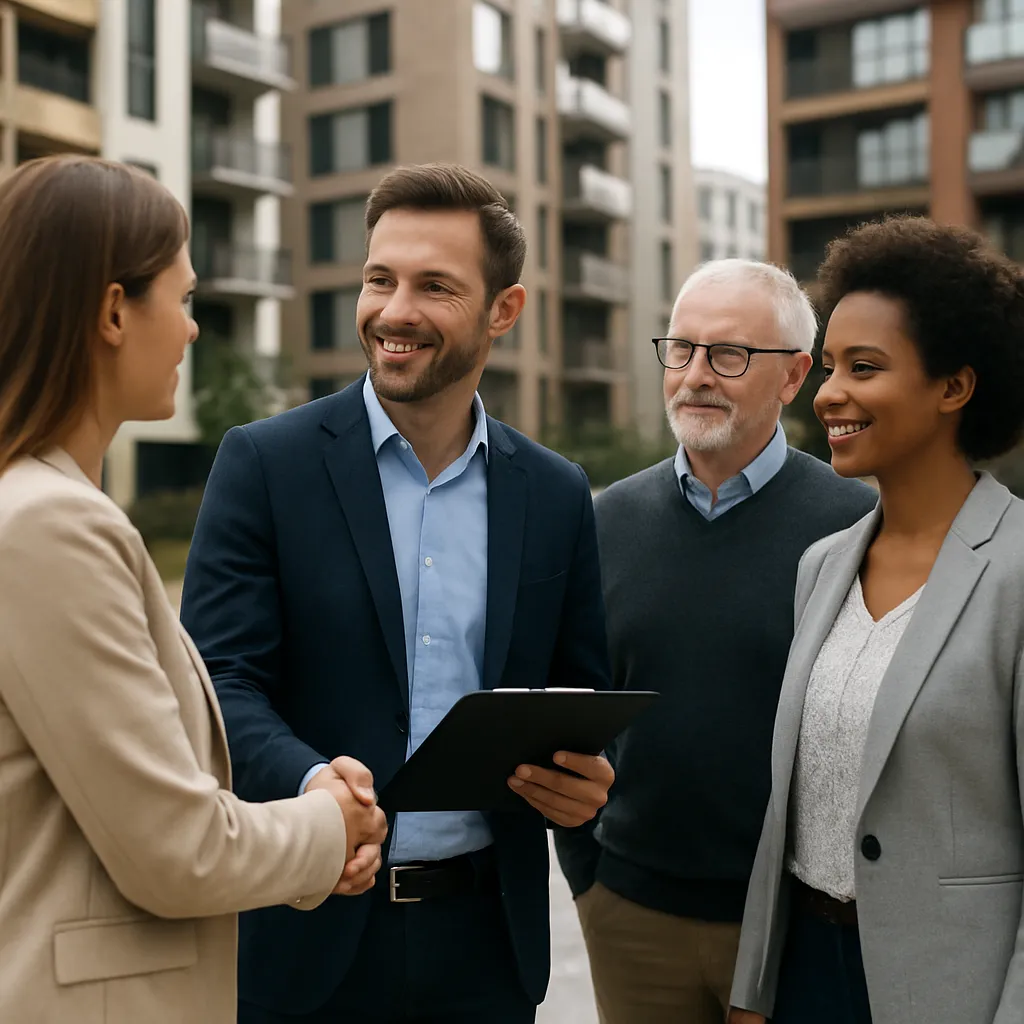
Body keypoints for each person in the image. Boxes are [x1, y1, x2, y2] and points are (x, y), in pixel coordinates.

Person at [179, 163, 615, 1024]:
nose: (394, 310)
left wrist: (589, 783)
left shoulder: (558, 492)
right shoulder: (264, 465)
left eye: (434, 286)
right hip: (305, 934)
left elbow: (579, 693)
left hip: (488, 951)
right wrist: (309, 783)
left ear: (504, 310)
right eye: (379, 279)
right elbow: (218, 681)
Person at [0, 156, 387, 1024]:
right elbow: (175, 850)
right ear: (110, 311)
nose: (191, 331)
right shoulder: (51, 526)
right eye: (181, 300)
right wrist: (332, 826)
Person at [554, 259, 877, 1024]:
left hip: (790, 928)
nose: (695, 375)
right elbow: (572, 704)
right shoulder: (605, 522)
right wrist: (588, 881)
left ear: (794, 376)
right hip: (629, 916)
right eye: (681, 349)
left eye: (728, 355)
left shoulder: (857, 527)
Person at [728, 217, 1024, 1024]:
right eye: (829, 367)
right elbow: (786, 808)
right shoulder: (822, 566)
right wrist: (754, 988)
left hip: (952, 992)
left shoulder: (1017, 574)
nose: (829, 394)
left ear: (954, 387)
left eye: (865, 367)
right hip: (804, 979)